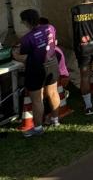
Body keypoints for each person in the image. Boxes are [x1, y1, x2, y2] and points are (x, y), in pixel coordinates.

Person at [13, 9, 61, 137]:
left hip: (36, 69)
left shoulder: (26, 38)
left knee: (37, 100)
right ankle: (55, 120)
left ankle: (38, 128)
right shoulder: (50, 27)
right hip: (52, 64)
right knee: (53, 92)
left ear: (26, 22)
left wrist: (15, 54)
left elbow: (24, 56)